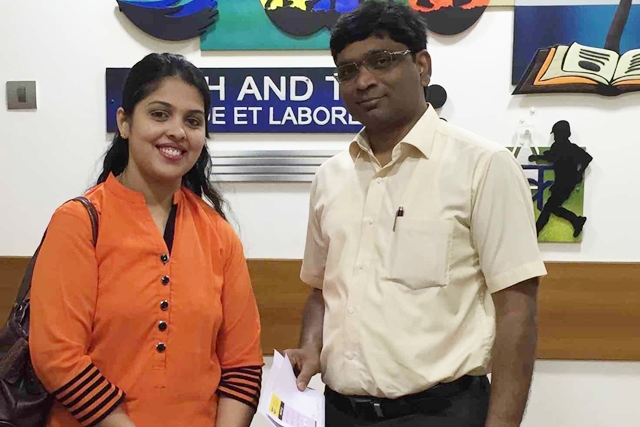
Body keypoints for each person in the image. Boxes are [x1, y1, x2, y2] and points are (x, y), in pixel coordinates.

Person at [285, 2, 547, 426]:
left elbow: (517, 307)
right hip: (339, 411)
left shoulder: (483, 166)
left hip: (442, 412)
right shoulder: (330, 177)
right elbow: (320, 290)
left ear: (422, 66)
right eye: (348, 71)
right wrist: (311, 347)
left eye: (381, 61)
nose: (363, 81)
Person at [29, 53, 263, 427]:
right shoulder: (79, 222)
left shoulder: (218, 233)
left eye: (193, 121)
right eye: (159, 114)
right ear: (124, 123)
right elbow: (57, 356)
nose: (177, 131)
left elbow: (243, 364)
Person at [529, 120, 591, 238]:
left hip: (567, 183)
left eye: (556, 134)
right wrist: (537, 157)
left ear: (563, 134)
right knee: (553, 208)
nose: (555, 137)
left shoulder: (571, 148)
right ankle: (576, 220)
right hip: (560, 183)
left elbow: (587, 158)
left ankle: (535, 232)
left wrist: (580, 172)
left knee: (548, 208)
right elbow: (550, 157)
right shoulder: (557, 147)